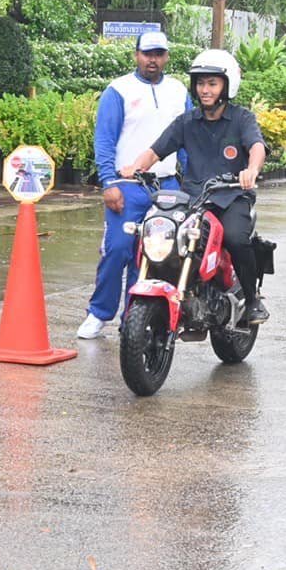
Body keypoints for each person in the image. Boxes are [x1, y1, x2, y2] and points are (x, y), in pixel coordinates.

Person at [118, 49, 270, 324]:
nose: (205, 90)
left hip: (232, 196)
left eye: (212, 83)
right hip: (193, 200)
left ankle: (252, 300)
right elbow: (155, 151)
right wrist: (135, 168)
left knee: (236, 238)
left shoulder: (242, 119)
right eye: (200, 83)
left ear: (227, 86)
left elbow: (256, 146)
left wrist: (251, 170)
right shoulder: (187, 121)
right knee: (161, 234)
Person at [76, 30, 190, 340]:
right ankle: (99, 313)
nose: (153, 60)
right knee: (117, 249)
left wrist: (192, 182)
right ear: (136, 55)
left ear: (167, 56)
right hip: (127, 184)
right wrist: (108, 183)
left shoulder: (179, 91)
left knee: (156, 254)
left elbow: (187, 140)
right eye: (147, 54)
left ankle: (134, 320)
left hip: (166, 187)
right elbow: (104, 140)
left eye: (159, 54)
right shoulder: (119, 90)